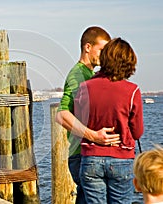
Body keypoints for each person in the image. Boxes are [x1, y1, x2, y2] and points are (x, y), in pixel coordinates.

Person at [75, 37, 144, 203]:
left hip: (91, 159)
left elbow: (78, 123)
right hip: (121, 158)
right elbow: (137, 132)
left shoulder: (85, 87)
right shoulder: (133, 91)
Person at [55, 26, 119, 203]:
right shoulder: (78, 75)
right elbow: (62, 115)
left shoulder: (90, 73)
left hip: (86, 153)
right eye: (102, 50)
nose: (105, 55)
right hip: (79, 153)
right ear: (88, 47)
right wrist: (94, 136)